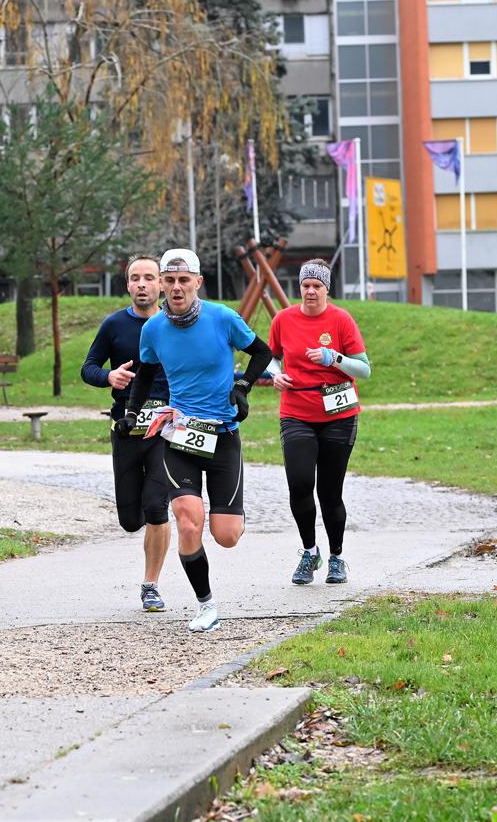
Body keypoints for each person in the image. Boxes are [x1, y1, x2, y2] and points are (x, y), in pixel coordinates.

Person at [119, 249, 274, 632]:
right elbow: (145, 374)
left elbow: (263, 352)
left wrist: (242, 387)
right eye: (170, 280)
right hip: (180, 435)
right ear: (162, 284)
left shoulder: (222, 317)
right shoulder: (154, 329)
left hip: (222, 436)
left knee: (226, 535)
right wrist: (132, 413)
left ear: (197, 282)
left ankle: (233, 516)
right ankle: (206, 606)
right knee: (188, 523)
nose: (176, 287)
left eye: (183, 280)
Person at [82, 254, 174, 612]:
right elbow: (88, 368)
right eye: (135, 278)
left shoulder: (175, 323)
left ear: (161, 284)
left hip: (166, 430)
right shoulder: (114, 325)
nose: (142, 284)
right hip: (125, 428)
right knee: (131, 519)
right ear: (128, 285)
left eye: (149, 277)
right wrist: (109, 376)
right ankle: (146, 534)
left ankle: (151, 585)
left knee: (156, 507)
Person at [270, 259, 370, 586]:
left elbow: (364, 369)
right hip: (296, 411)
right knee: (299, 484)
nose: (310, 291)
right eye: (305, 285)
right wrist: (275, 374)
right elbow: (270, 357)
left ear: (327, 289)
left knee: (329, 492)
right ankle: (310, 552)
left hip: (338, 414)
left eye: (317, 286)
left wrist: (334, 358)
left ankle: (337, 557)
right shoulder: (284, 319)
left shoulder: (341, 320)